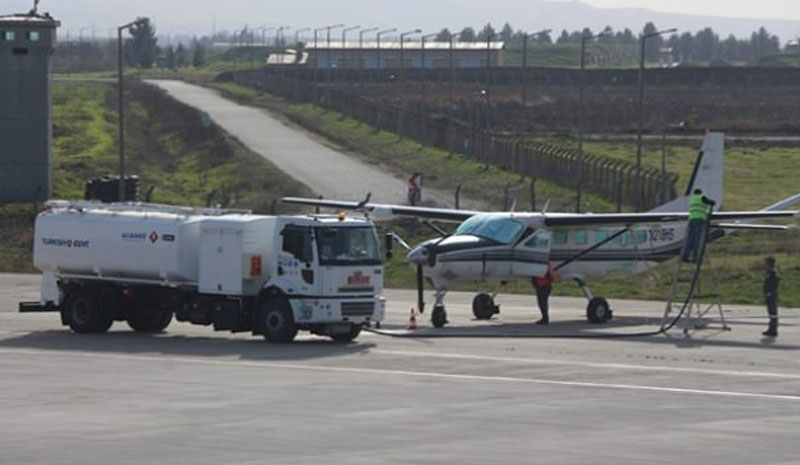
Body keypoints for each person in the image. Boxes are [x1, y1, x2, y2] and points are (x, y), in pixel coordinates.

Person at [681, 188, 716, 263]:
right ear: (700, 193)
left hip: (691, 220)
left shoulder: (692, 199)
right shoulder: (701, 197)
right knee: (697, 239)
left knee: (690, 239)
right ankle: (696, 257)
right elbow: (711, 202)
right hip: (699, 220)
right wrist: (712, 203)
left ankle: (685, 256)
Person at [763, 256, 781, 337]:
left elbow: (773, 284)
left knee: (773, 313)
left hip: (771, 295)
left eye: (766, 262)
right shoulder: (770, 271)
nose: (765, 264)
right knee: (771, 313)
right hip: (770, 294)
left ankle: (773, 330)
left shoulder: (773, 272)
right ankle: (771, 329)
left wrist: (769, 293)